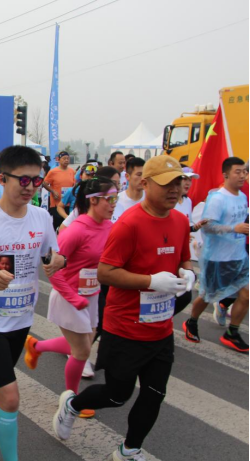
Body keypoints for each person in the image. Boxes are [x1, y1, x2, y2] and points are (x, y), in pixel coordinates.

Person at [52, 155, 194, 461]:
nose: (174, 189)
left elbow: (183, 257)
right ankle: (72, 405)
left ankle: (129, 450)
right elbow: (106, 273)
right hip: (125, 328)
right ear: (145, 184)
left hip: (160, 328)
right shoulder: (129, 224)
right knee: (117, 396)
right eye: (166, 183)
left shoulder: (181, 220)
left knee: (155, 394)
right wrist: (151, 281)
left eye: (178, 182)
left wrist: (188, 272)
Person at [0, 145, 63, 461]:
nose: (31, 187)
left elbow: (51, 254)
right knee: (11, 396)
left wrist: (58, 260)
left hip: (22, 316)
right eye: (24, 180)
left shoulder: (41, 217)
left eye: (36, 180)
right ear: (3, 179)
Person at [24, 177, 117, 419]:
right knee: (82, 352)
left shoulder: (110, 227)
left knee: (82, 344)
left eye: (115, 198)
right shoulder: (76, 230)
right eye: (109, 199)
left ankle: (36, 346)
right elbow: (51, 270)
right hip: (69, 297)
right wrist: (73, 298)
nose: (113, 204)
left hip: (91, 295)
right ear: (93, 200)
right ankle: (71, 401)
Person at [183, 157, 249, 352]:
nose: (242, 175)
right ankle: (191, 321)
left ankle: (232, 333)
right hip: (217, 258)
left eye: (244, 172)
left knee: (246, 295)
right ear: (226, 174)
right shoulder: (218, 198)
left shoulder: (242, 197)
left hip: (239, 257)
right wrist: (234, 228)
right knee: (207, 296)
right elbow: (208, 227)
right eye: (238, 172)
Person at [43, 151, 76, 229]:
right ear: (59, 160)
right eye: (64, 158)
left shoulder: (72, 171)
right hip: (56, 202)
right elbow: (44, 183)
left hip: (68, 203)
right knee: (57, 225)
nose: (66, 160)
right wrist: (53, 191)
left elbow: (74, 185)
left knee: (68, 225)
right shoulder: (53, 172)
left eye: (68, 158)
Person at [112, 157, 145, 223]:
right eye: (139, 175)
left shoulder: (151, 200)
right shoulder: (117, 200)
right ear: (127, 176)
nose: (142, 178)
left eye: (144, 174)